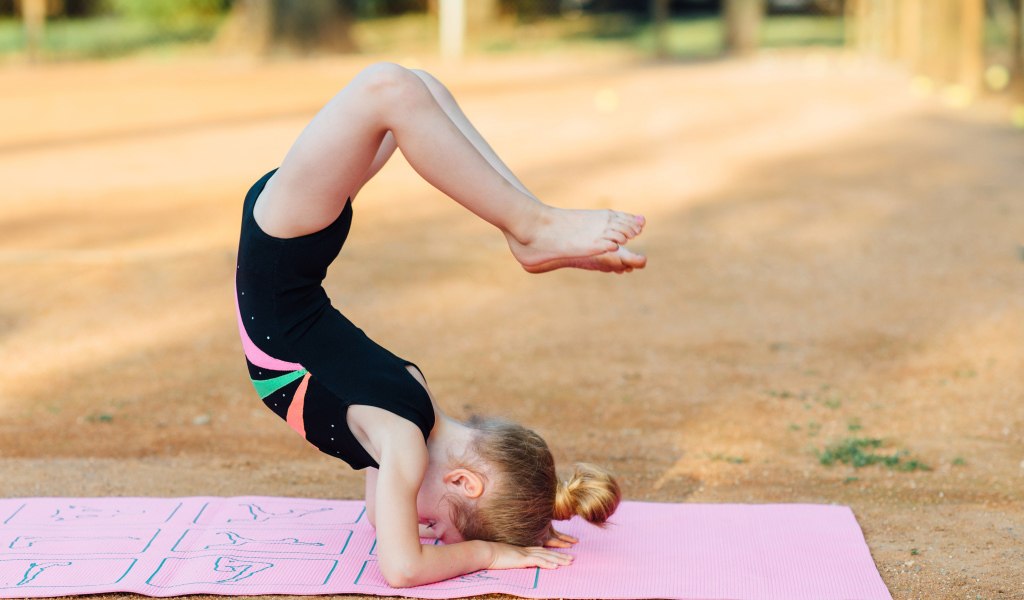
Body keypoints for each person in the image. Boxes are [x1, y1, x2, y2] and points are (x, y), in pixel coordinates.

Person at [235, 63, 644, 588]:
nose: (421, 527)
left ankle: (527, 229)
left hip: (292, 251)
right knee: (399, 88)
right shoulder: (401, 441)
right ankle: (531, 226)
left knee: (411, 90)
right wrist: (486, 552)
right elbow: (403, 568)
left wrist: (527, 516)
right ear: (463, 482)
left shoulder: (414, 401)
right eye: (437, 526)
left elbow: (384, 519)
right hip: (283, 249)